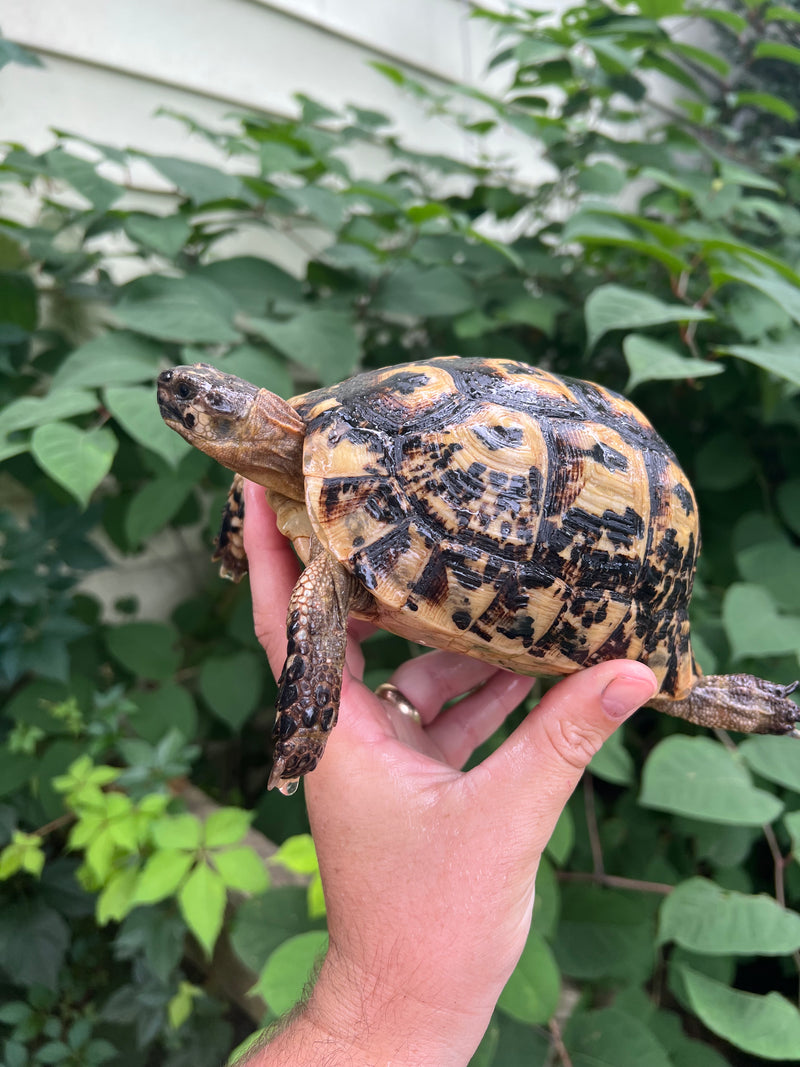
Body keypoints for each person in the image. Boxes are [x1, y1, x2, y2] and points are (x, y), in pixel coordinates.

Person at [239, 478, 659, 1066]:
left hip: (556, 552)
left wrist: (382, 1015)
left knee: (666, 687)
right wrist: (399, 1007)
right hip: (449, 517)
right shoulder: (312, 503)